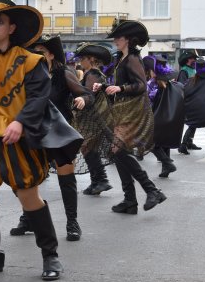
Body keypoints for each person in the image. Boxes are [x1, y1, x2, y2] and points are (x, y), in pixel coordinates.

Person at [0, 0, 82, 279]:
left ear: (11, 28)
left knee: (28, 195)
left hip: (18, 138)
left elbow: (38, 98)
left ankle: (51, 256)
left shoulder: (31, 61)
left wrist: (20, 122)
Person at [9, 34, 93, 242]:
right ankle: (29, 217)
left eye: (41, 53)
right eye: (32, 53)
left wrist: (82, 98)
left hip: (59, 134)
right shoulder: (25, 75)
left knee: (66, 178)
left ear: (50, 55)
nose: (36, 56)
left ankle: (72, 222)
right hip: (33, 133)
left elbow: (87, 94)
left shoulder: (62, 74)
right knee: (26, 179)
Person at [93, 20, 166, 214]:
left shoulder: (132, 58)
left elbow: (141, 85)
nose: (115, 41)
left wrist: (121, 87)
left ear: (127, 40)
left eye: (118, 37)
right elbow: (119, 85)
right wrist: (102, 86)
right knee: (119, 153)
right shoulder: (121, 59)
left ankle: (151, 191)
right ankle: (130, 200)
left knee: (118, 151)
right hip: (122, 111)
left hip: (132, 111)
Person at [73, 42, 113, 195]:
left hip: (92, 118)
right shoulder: (93, 73)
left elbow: (88, 94)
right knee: (89, 149)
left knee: (89, 149)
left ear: (90, 59)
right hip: (92, 117)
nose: (80, 62)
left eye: (82, 58)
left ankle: (101, 180)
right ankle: (97, 181)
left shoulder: (93, 74)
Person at [143, 55, 181, 178]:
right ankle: (166, 167)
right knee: (164, 142)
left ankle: (167, 163)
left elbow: (147, 103)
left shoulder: (152, 85)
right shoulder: (171, 85)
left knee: (150, 143)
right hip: (169, 118)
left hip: (156, 118)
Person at [177, 50, 201, 154]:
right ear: (188, 60)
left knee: (195, 121)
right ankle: (183, 145)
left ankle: (189, 142)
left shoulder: (193, 70)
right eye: (193, 58)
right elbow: (182, 85)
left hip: (194, 98)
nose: (195, 60)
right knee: (192, 122)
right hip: (187, 99)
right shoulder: (184, 71)